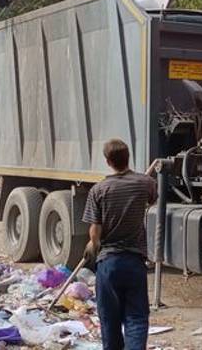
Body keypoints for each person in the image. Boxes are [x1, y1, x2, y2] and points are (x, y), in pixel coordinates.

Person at [82, 139, 157, 350]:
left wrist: (93, 244)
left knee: (110, 321)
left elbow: (95, 230)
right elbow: (152, 199)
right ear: (128, 157)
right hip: (134, 262)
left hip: (108, 263)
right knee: (136, 318)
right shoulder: (145, 183)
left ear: (107, 161)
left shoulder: (98, 190)